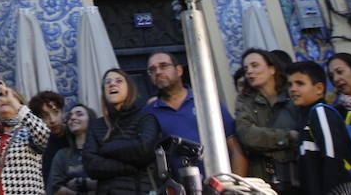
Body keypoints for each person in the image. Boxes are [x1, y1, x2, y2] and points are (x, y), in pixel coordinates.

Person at [144, 50, 248, 178]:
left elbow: (235, 148)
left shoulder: (207, 101)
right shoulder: (149, 112)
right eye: (152, 70)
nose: (158, 72)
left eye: (164, 66)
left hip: (219, 184)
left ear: (179, 70)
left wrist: (234, 187)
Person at [83, 68, 162, 195]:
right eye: (107, 82)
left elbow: (144, 149)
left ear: (129, 88)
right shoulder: (96, 125)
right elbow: (90, 165)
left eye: (118, 81)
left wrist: (106, 149)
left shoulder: (146, 118)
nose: (112, 84)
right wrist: (129, 167)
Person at [233, 47, 300, 193]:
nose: (249, 71)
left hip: (297, 178)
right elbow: (247, 136)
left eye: (255, 65)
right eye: (246, 68)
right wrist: (287, 137)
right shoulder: (244, 101)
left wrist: (265, 143)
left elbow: (302, 133)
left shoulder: (292, 95)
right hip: (263, 182)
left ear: (272, 69)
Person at [287, 60, 351, 194]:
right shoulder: (304, 119)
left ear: (319, 88)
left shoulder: (320, 112)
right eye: (290, 84)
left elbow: (333, 158)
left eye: (300, 83)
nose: (293, 89)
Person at [0, 83, 52, 195]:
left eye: (11, 97)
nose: (5, 99)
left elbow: (44, 133)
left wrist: (15, 104)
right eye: (0, 97)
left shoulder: (29, 131)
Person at [46, 103, 96, 195]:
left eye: (79, 114)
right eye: (70, 116)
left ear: (91, 120)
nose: (72, 118)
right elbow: (55, 189)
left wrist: (76, 183)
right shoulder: (62, 155)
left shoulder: (103, 151)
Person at [27, 90, 67, 187]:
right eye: (45, 116)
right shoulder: (36, 143)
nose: (52, 120)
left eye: (55, 112)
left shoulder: (74, 136)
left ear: (63, 112)